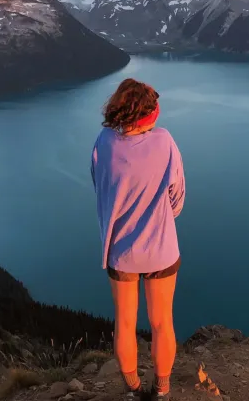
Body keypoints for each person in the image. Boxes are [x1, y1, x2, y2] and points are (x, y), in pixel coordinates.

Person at [91, 78, 185, 400]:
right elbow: (177, 199)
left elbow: (100, 186)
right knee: (162, 323)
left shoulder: (104, 142)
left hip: (121, 251)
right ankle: (161, 391)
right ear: (148, 116)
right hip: (161, 248)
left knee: (125, 324)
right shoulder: (164, 142)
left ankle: (132, 390)